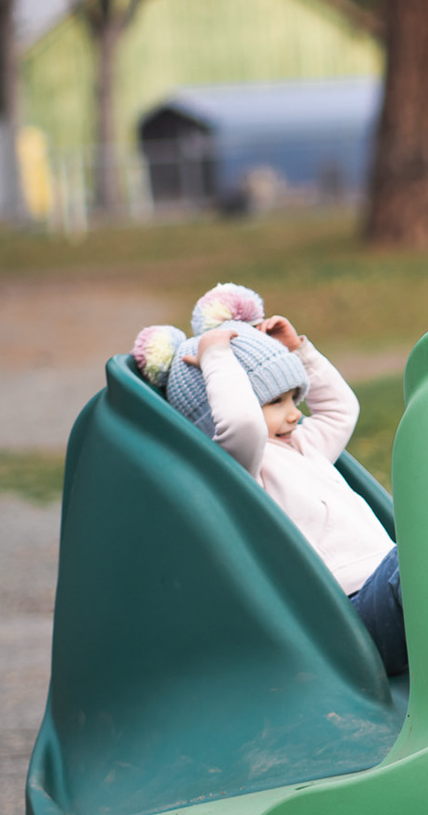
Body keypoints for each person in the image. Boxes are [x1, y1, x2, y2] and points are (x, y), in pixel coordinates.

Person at [132, 283, 406, 675]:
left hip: (384, 590)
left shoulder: (304, 446)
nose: (295, 413)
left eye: (294, 398)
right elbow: (242, 423)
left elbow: (341, 409)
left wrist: (299, 352)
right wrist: (216, 357)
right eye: (275, 402)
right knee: (416, 558)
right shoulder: (243, 471)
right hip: (352, 619)